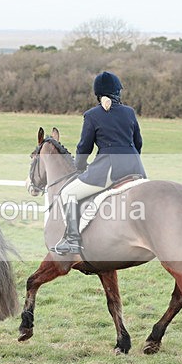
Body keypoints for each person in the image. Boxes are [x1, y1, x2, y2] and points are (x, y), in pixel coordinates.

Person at [50, 71, 146, 255]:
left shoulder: (92, 115)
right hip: (135, 167)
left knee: (68, 193)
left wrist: (80, 166)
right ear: (118, 93)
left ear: (98, 94)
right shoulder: (129, 112)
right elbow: (138, 142)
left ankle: (72, 240)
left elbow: (84, 147)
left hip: (109, 170)